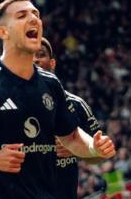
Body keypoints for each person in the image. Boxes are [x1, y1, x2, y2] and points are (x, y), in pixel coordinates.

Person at [0, 0, 116, 199]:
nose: (33, 19)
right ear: (3, 32)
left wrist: (94, 146)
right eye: (22, 15)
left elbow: (72, 137)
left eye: (36, 14)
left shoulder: (51, 84)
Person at [34, 37, 104, 199]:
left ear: (52, 63)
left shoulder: (76, 104)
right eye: (30, 55)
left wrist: (77, 149)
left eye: (40, 54)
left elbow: (99, 155)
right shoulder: (11, 105)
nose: (35, 60)